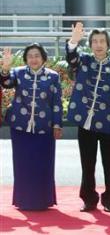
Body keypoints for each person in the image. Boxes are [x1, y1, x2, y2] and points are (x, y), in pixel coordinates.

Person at [65, 22, 110, 213]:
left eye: (102, 41)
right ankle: (89, 199)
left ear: (108, 44)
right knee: (87, 164)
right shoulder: (83, 61)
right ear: (90, 44)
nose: (98, 44)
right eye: (94, 41)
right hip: (86, 122)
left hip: (109, 123)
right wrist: (74, 41)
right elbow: (71, 58)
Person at [0, 44, 63, 210]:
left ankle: (43, 200)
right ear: (26, 59)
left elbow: (56, 103)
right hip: (20, 127)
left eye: (37, 55)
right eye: (30, 56)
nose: (33, 59)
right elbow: (6, 83)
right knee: (22, 165)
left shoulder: (53, 76)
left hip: (45, 128)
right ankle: (23, 200)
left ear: (43, 58)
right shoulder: (18, 72)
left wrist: (57, 125)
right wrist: (5, 68)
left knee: (43, 164)